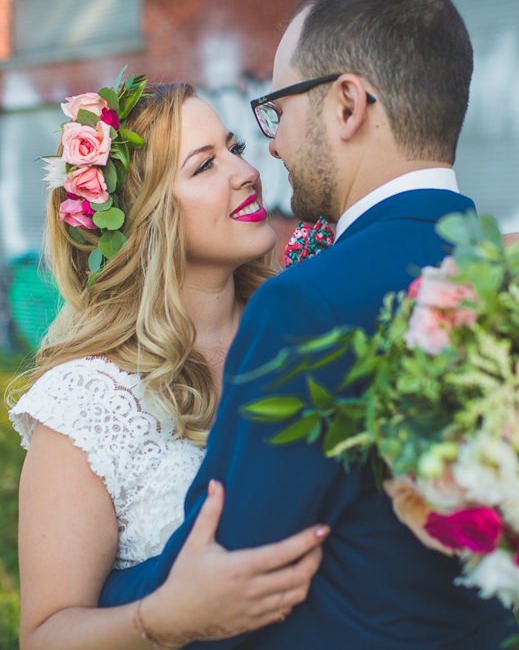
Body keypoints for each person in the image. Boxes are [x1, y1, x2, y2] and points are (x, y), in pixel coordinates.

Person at [98, 0, 519, 648]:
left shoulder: (305, 305)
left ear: (347, 104)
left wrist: (96, 602)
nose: (273, 148)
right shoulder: (516, 283)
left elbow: (229, 574)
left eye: (279, 110)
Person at [10, 82, 331, 650]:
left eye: (236, 149)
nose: (245, 172)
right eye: (205, 166)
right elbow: (45, 634)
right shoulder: (86, 401)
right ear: (143, 215)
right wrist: (166, 617)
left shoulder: (304, 327)